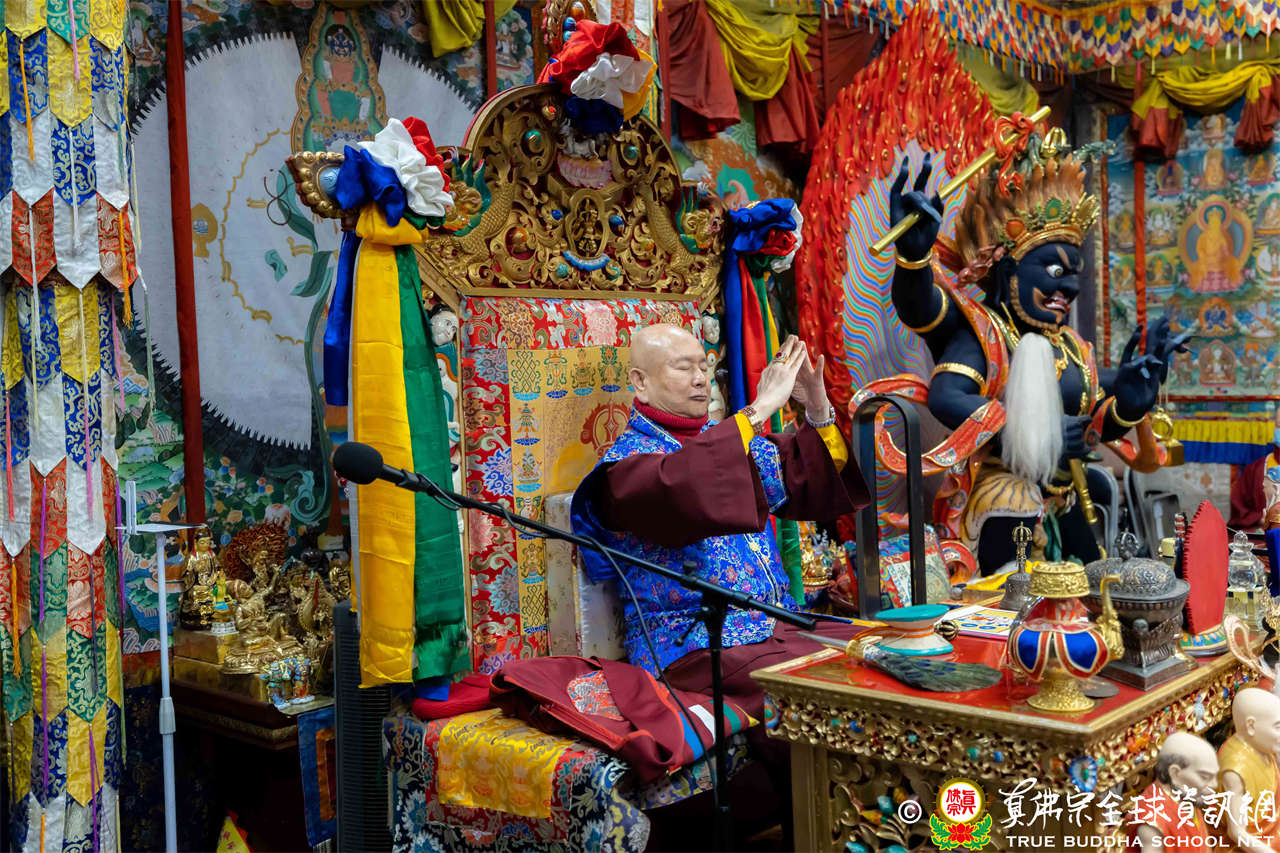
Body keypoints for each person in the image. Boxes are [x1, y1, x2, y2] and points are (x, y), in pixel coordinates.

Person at [571, 323, 868, 719]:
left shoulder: (723, 438)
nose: (700, 379)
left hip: (775, 626)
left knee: (882, 651)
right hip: (695, 646)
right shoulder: (624, 468)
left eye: (704, 366)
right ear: (640, 382)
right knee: (834, 686)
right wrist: (760, 407)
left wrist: (816, 407)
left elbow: (804, 475)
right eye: (684, 368)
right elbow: (686, 484)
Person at [1126, 731, 1219, 852]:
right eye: (1204, 777)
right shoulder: (1153, 822)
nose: (1212, 786)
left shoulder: (1187, 793)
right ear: (1175, 773)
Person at [1218, 687, 1280, 852]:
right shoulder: (1235, 771)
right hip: (1251, 845)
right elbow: (1236, 832)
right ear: (1251, 726)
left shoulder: (1262, 745)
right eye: (1278, 727)